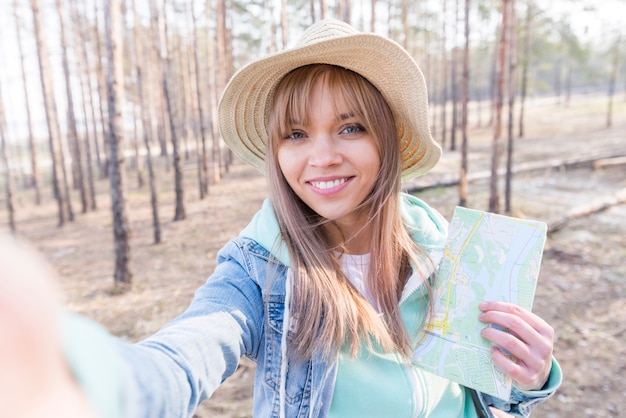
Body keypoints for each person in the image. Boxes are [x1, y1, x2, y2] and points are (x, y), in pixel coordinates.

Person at [2, 19, 561, 418]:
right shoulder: (260, 271)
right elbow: (186, 354)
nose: (321, 156)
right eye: (295, 134)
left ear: (387, 139)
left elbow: (485, 394)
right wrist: (86, 381)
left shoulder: (452, 254)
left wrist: (529, 380)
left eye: (350, 127)